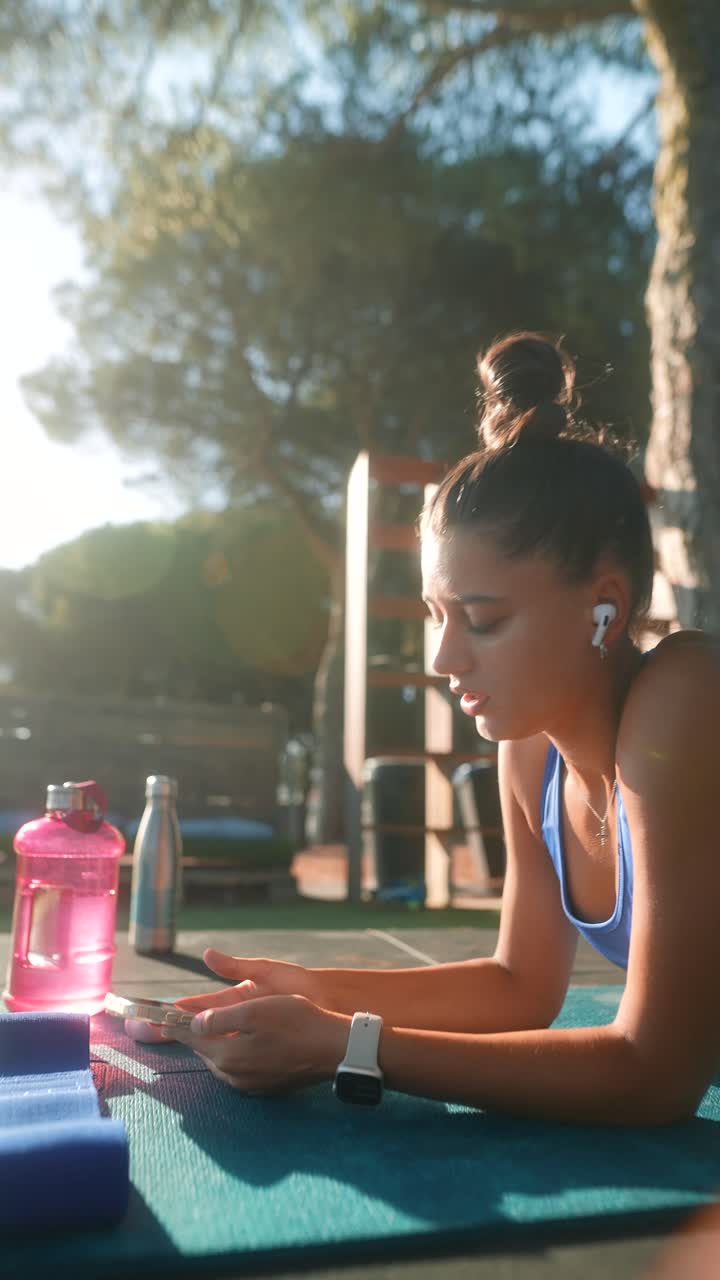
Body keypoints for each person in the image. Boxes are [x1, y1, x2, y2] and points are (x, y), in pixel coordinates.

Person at [155, 331, 720, 1125]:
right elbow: (520, 986)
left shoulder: (686, 696)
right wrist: (315, 994)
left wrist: (347, 1047)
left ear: (606, 608)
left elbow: (656, 1074)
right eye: (436, 616)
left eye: (483, 621)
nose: (446, 657)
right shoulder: (530, 754)